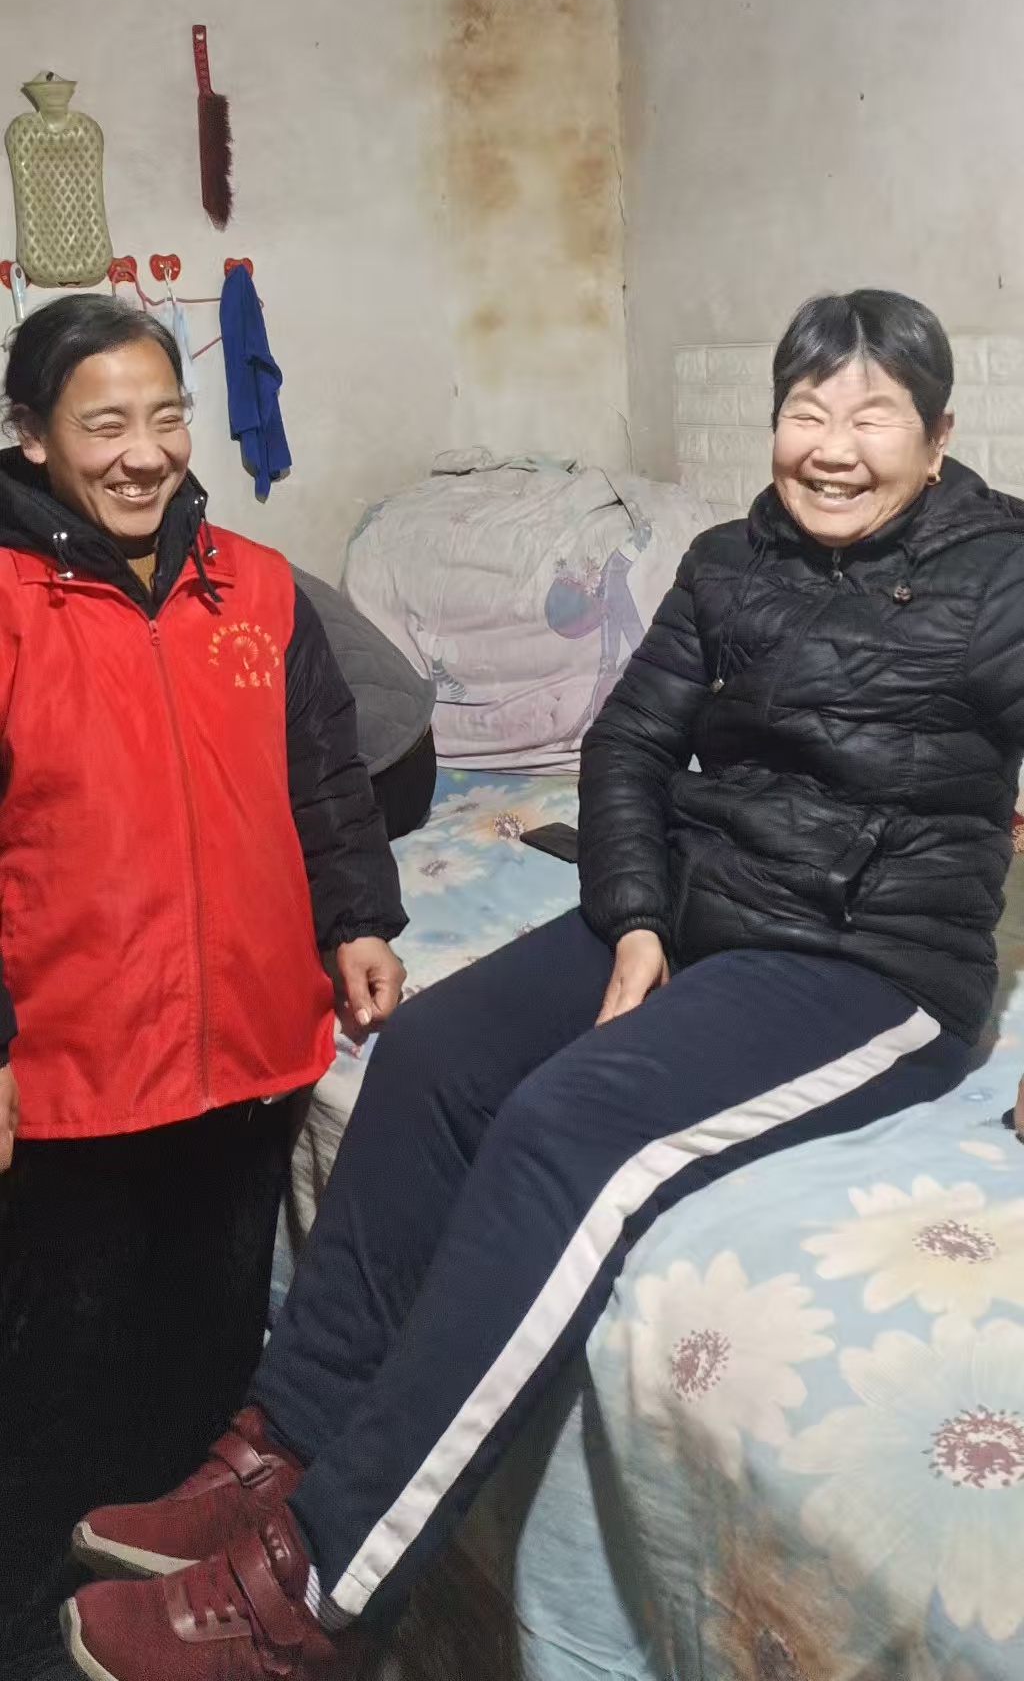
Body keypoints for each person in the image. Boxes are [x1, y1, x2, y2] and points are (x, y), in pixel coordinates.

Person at [64, 289, 1024, 1681]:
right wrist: (631, 919)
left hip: (862, 961)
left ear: (936, 439)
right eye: (807, 411)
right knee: (430, 1053)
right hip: (691, 906)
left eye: (873, 417)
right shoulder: (729, 560)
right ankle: (286, 1440)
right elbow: (627, 746)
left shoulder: (1003, 578)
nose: (832, 447)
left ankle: (316, 1591)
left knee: (564, 1124)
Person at [0, 296, 407, 1680]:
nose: (144, 453)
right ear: (33, 436)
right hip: (75, 1067)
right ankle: (33, 1616)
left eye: (166, 418)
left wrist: (357, 919)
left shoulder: (259, 586)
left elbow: (328, 780)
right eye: (103, 424)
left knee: (213, 1343)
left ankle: (170, 1603)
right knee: (61, 1366)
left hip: (249, 1047)